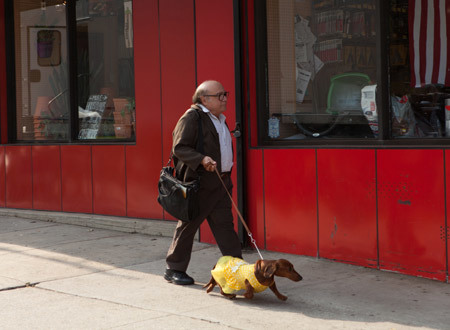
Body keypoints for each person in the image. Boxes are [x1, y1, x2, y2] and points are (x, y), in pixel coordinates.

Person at [164, 80, 242, 285]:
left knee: (225, 226)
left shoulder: (220, 119)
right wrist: (201, 159)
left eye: (225, 94)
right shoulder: (192, 117)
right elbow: (179, 147)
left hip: (221, 182)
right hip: (199, 183)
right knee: (188, 226)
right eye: (219, 95)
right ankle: (174, 269)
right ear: (204, 99)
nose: (224, 99)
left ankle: (238, 269)